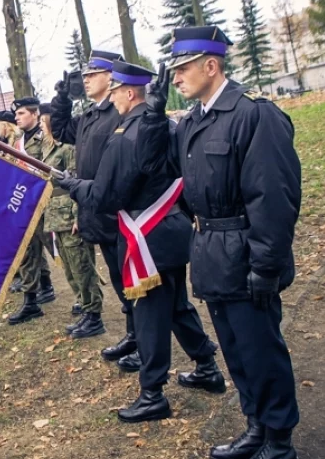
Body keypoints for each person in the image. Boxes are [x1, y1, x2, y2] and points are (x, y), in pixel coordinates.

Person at [138, 25, 302, 459]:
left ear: (212, 66)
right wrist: (153, 118)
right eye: (173, 71)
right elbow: (161, 174)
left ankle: (280, 443)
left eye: (184, 68)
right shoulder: (191, 122)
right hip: (212, 251)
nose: (177, 78)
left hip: (247, 252)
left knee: (261, 350)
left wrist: (265, 266)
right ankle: (257, 426)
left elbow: (274, 199)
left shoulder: (254, 116)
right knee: (235, 351)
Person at [57, 60, 223, 424]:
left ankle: (152, 393)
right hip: (172, 230)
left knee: (148, 315)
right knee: (177, 306)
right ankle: (207, 366)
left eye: (115, 90)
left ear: (129, 93)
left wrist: (72, 185)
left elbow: (106, 196)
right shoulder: (165, 123)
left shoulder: (125, 135)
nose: (112, 96)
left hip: (147, 239)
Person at [51, 50, 130, 359]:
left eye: (92, 74)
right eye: (83, 75)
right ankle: (134, 333)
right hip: (97, 212)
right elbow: (60, 130)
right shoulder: (91, 115)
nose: (85, 79)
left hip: (120, 212)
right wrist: (61, 97)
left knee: (131, 281)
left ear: (111, 77)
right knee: (119, 279)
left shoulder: (119, 112)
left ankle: (140, 336)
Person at [38, 105, 105, 339]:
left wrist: (79, 215)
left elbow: (77, 180)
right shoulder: (47, 148)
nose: (39, 124)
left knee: (82, 266)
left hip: (70, 214)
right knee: (69, 266)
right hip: (56, 216)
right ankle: (85, 307)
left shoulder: (67, 148)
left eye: (41, 120)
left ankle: (94, 313)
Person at [7, 96, 56, 325]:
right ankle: (30, 301)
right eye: (16, 114)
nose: (17, 117)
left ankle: (87, 301)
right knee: (27, 254)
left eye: (21, 113)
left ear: (35, 115)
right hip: (25, 206)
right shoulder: (18, 140)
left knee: (60, 252)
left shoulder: (45, 137)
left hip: (46, 206)